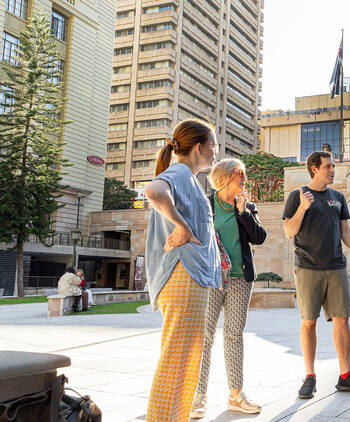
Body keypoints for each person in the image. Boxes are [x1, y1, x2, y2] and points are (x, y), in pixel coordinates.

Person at [144, 118, 221, 422]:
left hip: (190, 277)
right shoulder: (178, 172)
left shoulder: (188, 178)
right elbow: (152, 190)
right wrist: (181, 225)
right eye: (212, 145)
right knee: (178, 360)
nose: (215, 152)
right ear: (199, 146)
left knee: (186, 361)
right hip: (183, 277)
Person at [282, 151, 350, 400]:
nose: (333, 170)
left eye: (334, 166)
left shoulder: (338, 198)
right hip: (308, 267)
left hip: (335, 266)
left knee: (342, 319)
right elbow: (289, 231)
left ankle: (345, 376)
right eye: (328, 166)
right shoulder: (297, 195)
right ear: (314, 169)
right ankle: (310, 376)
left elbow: (346, 232)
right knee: (309, 321)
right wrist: (303, 207)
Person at [190, 159, 267, 418]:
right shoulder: (206, 205)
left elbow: (259, 237)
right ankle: (197, 396)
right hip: (210, 280)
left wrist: (244, 212)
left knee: (234, 336)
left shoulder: (246, 206)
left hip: (239, 279)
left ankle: (236, 394)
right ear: (225, 179)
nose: (244, 182)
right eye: (240, 178)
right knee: (205, 337)